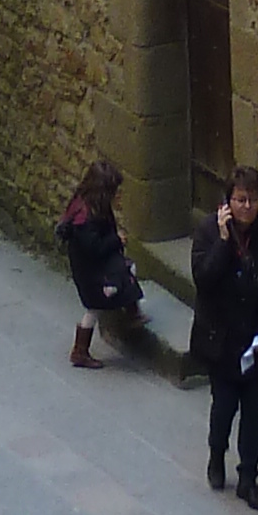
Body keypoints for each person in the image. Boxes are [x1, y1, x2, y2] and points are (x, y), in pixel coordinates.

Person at [188, 163, 258, 510]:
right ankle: (216, 455)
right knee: (223, 408)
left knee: (254, 412)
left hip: (257, 342)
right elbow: (204, 280)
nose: (246, 207)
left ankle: (248, 476)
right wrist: (222, 243)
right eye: (239, 200)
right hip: (221, 341)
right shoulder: (208, 233)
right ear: (227, 203)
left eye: (251, 200)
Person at [56, 158, 148, 369]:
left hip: (96, 267)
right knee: (95, 308)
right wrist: (117, 240)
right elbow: (94, 248)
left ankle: (132, 311)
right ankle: (80, 351)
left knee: (127, 270)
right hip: (92, 274)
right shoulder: (85, 220)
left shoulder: (92, 207)